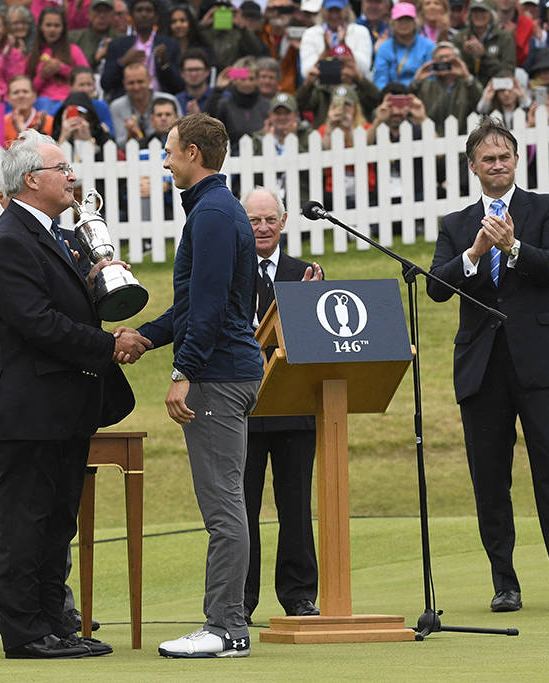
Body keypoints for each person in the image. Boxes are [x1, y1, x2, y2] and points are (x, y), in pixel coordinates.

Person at [0, 129, 147, 658]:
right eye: (62, 167)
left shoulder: (49, 236)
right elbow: (38, 324)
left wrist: (94, 286)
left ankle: (53, 624)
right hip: (28, 410)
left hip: (63, 407)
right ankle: (24, 633)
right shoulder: (8, 243)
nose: (73, 176)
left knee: (55, 522)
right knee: (24, 523)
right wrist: (108, 343)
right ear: (31, 180)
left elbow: (57, 310)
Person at [427, 116, 549, 614]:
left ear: (516, 159)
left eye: (504, 156)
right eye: (488, 159)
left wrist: (513, 247)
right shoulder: (456, 224)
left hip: (543, 363)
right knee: (490, 478)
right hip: (483, 367)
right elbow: (439, 287)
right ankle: (506, 584)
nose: (497, 165)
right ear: (473, 167)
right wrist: (477, 252)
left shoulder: (547, 208)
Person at [124, 113, 263, 658]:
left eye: (169, 151)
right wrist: (146, 337)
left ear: (194, 154)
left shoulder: (211, 213)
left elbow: (205, 308)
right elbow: (192, 306)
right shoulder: (216, 209)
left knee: (224, 506)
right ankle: (228, 624)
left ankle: (226, 628)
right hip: (231, 369)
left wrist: (183, 372)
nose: (165, 161)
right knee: (227, 502)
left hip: (219, 377)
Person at [239, 186, 323, 624]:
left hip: (294, 407)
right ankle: (240, 598)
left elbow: (314, 341)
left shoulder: (305, 273)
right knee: (241, 509)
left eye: (270, 219)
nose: (262, 227)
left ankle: (299, 595)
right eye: (254, 220)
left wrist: (312, 299)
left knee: (296, 506)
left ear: (284, 222)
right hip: (245, 409)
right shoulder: (230, 270)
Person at [100, 0, 184, 100]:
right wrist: (123, 61)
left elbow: (179, 86)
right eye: (139, 10)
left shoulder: (169, 44)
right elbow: (106, 84)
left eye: (148, 10)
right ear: (131, 16)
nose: (144, 14)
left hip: (161, 105)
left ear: (156, 16)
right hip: (126, 103)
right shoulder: (117, 45)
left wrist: (165, 64)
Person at [25, 6, 89, 111]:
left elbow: (85, 79)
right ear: (41, 26)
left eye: (57, 25)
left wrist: (61, 68)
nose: (52, 30)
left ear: (63, 28)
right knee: (44, 103)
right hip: (42, 102)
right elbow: (28, 91)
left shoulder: (74, 50)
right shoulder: (33, 56)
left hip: (69, 99)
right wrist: (42, 76)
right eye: (48, 25)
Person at [411, 41, 482, 134]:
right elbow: (408, 107)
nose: (444, 61)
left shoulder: (468, 85)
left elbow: (482, 107)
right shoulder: (426, 86)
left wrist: (466, 77)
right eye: (440, 58)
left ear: (457, 60)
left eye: (448, 57)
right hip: (432, 138)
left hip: (464, 138)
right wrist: (416, 82)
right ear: (433, 62)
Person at [206, 58, 271, 149]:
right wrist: (218, 89)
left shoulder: (267, 105)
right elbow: (208, 122)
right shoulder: (225, 105)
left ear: (257, 80)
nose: (247, 83)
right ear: (235, 80)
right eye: (243, 79)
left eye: (251, 79)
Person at [299, 0, 374, 80]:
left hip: (353, 86)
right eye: (330, 10)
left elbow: (364, 69)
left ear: (347, 10)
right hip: (320, 86)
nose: (334, 15)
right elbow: (305, 72)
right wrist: (326, 51)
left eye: (338, 10)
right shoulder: (310, 33)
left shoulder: (361, 31)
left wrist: (344, 47)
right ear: (323, 11)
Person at [110, 62, 180, 147]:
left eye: (140, 82)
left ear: (149, 80)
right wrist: (130, 136)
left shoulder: (169, 100)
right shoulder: (116, 107)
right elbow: (118, 146)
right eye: (131, 83)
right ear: (124, 84)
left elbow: (182, 134)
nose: (136, 87)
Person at [452, 0, 518, 85]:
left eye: (483, 11)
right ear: (470, 14)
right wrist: (466, 55)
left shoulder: (504, 38)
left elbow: (507, 74)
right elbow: (455, 73)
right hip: (466, 90)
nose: (479, 15)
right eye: (475, 11)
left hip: (496, 89)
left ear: (491, 14)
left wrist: (484, 56)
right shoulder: (460, 38)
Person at [372, 2, 436, 89]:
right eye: (400, 20)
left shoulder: (429, 46)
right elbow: (380, 80)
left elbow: (432, 78)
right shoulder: (384, 48)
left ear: (415, 23)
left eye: (408, 19)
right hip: (392, 95)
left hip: (422, 93)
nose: (404, 23)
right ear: (393, 23)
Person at [197, 0, 270, 73]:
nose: (249, 22)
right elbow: (190, 44)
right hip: (208, 75)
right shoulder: (205, 32)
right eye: (218, 12)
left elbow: (256, 50)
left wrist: (243, 28)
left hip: (235, 75)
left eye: (228, 12)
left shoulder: (241, 34)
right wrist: (202, 24)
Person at [259, 0, 302, 95]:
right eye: (274, 9)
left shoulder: (300, 34)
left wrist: (298, 11)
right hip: (261, 91)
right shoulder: (260, 31)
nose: (278, 13)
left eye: (284, 9)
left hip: (288, 91)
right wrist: (264, 15)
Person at [69, 0, 124, 71]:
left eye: (106, 11)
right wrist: (96, 58)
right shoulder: (74, 38)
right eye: (98, 11)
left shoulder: (122, 39)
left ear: (112, 15)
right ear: (89, 14)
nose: (102, 16)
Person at [0, 73, 54, 143]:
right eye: (16, 92)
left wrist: (22, 130)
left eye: (25, 91)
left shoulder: (49, 123)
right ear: (8, 98)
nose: (21, 95)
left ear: (34, 96)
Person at [176, 48, 213, 115]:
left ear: (207, 71)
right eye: (190, 70)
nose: (194, 74)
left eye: (197, 69)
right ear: (182, 73)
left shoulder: (223, 99)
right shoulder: (176, 102)